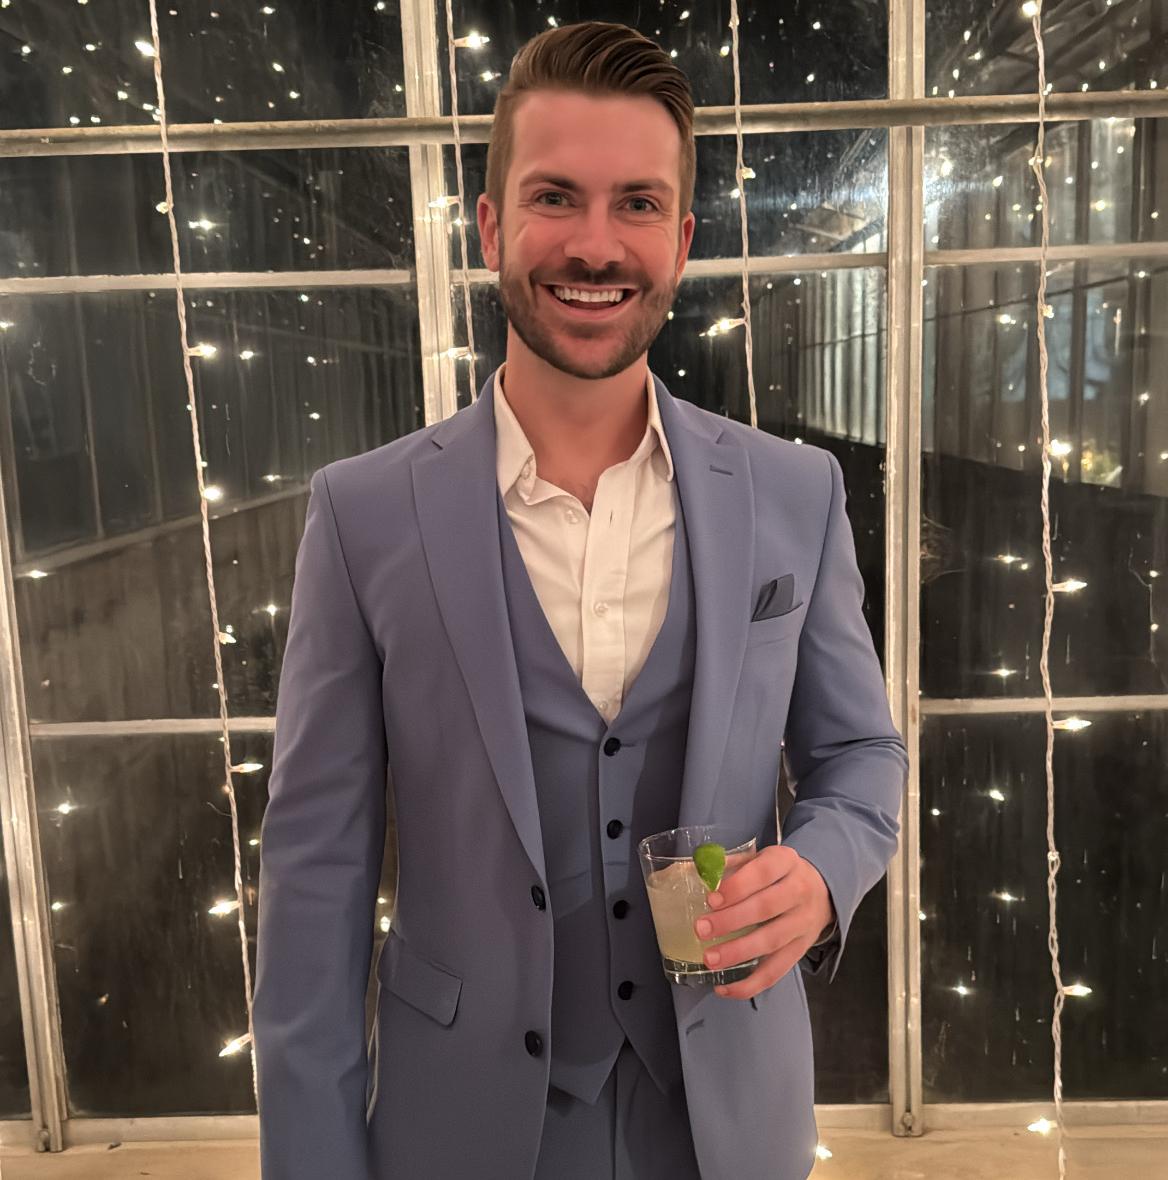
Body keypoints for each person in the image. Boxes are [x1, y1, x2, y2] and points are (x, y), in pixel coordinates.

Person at [253, 20, 908, 1180]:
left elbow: (861, 754)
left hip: (727, 1119)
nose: (597, 245)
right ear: (491, 226)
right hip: (460, 1127)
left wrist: (821, 870)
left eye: (638, 204)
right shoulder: (364, 515)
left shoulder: (793, 492)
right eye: (556, 197)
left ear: (682, 239)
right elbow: (315, 875)